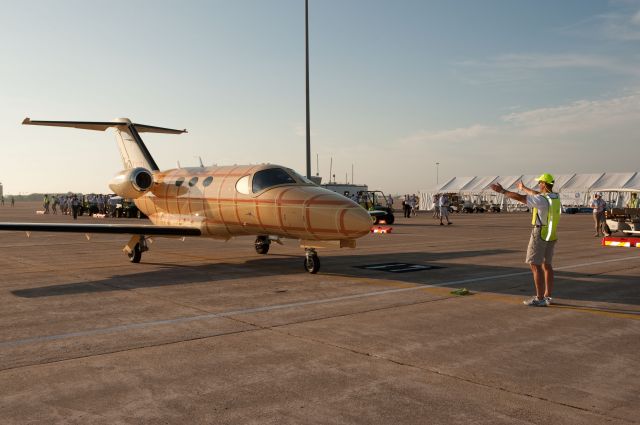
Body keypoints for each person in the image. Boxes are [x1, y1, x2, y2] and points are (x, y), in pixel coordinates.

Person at [490, 173, 561, 307]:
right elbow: (536, 194)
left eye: (540, 182)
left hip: (540, 232)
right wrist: (524, 187)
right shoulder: (554, 197)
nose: (538, 185)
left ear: (544, 184)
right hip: (551, 233)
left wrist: (503, 191)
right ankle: (547, 296)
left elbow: (521, 198)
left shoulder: (541, 199)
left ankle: (539, 298)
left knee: (535, 265)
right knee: (547, 265)